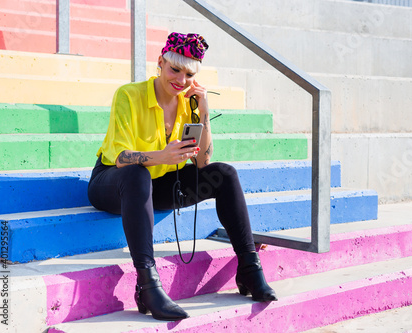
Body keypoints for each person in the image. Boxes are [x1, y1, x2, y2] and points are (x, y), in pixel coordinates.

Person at [87, 32, 277, 321]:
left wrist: (202, 112)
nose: (181, 79)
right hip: (113, 181)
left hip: (159, 183)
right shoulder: (128, 94)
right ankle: (147, 286)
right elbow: (121, 158)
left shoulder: (187, 103)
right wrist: (161, 156)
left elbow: (203, 162)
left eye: (189, 73)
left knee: (224, 174)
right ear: (160, 63)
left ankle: (250, 270)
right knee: (138, 174)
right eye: (175, 69)